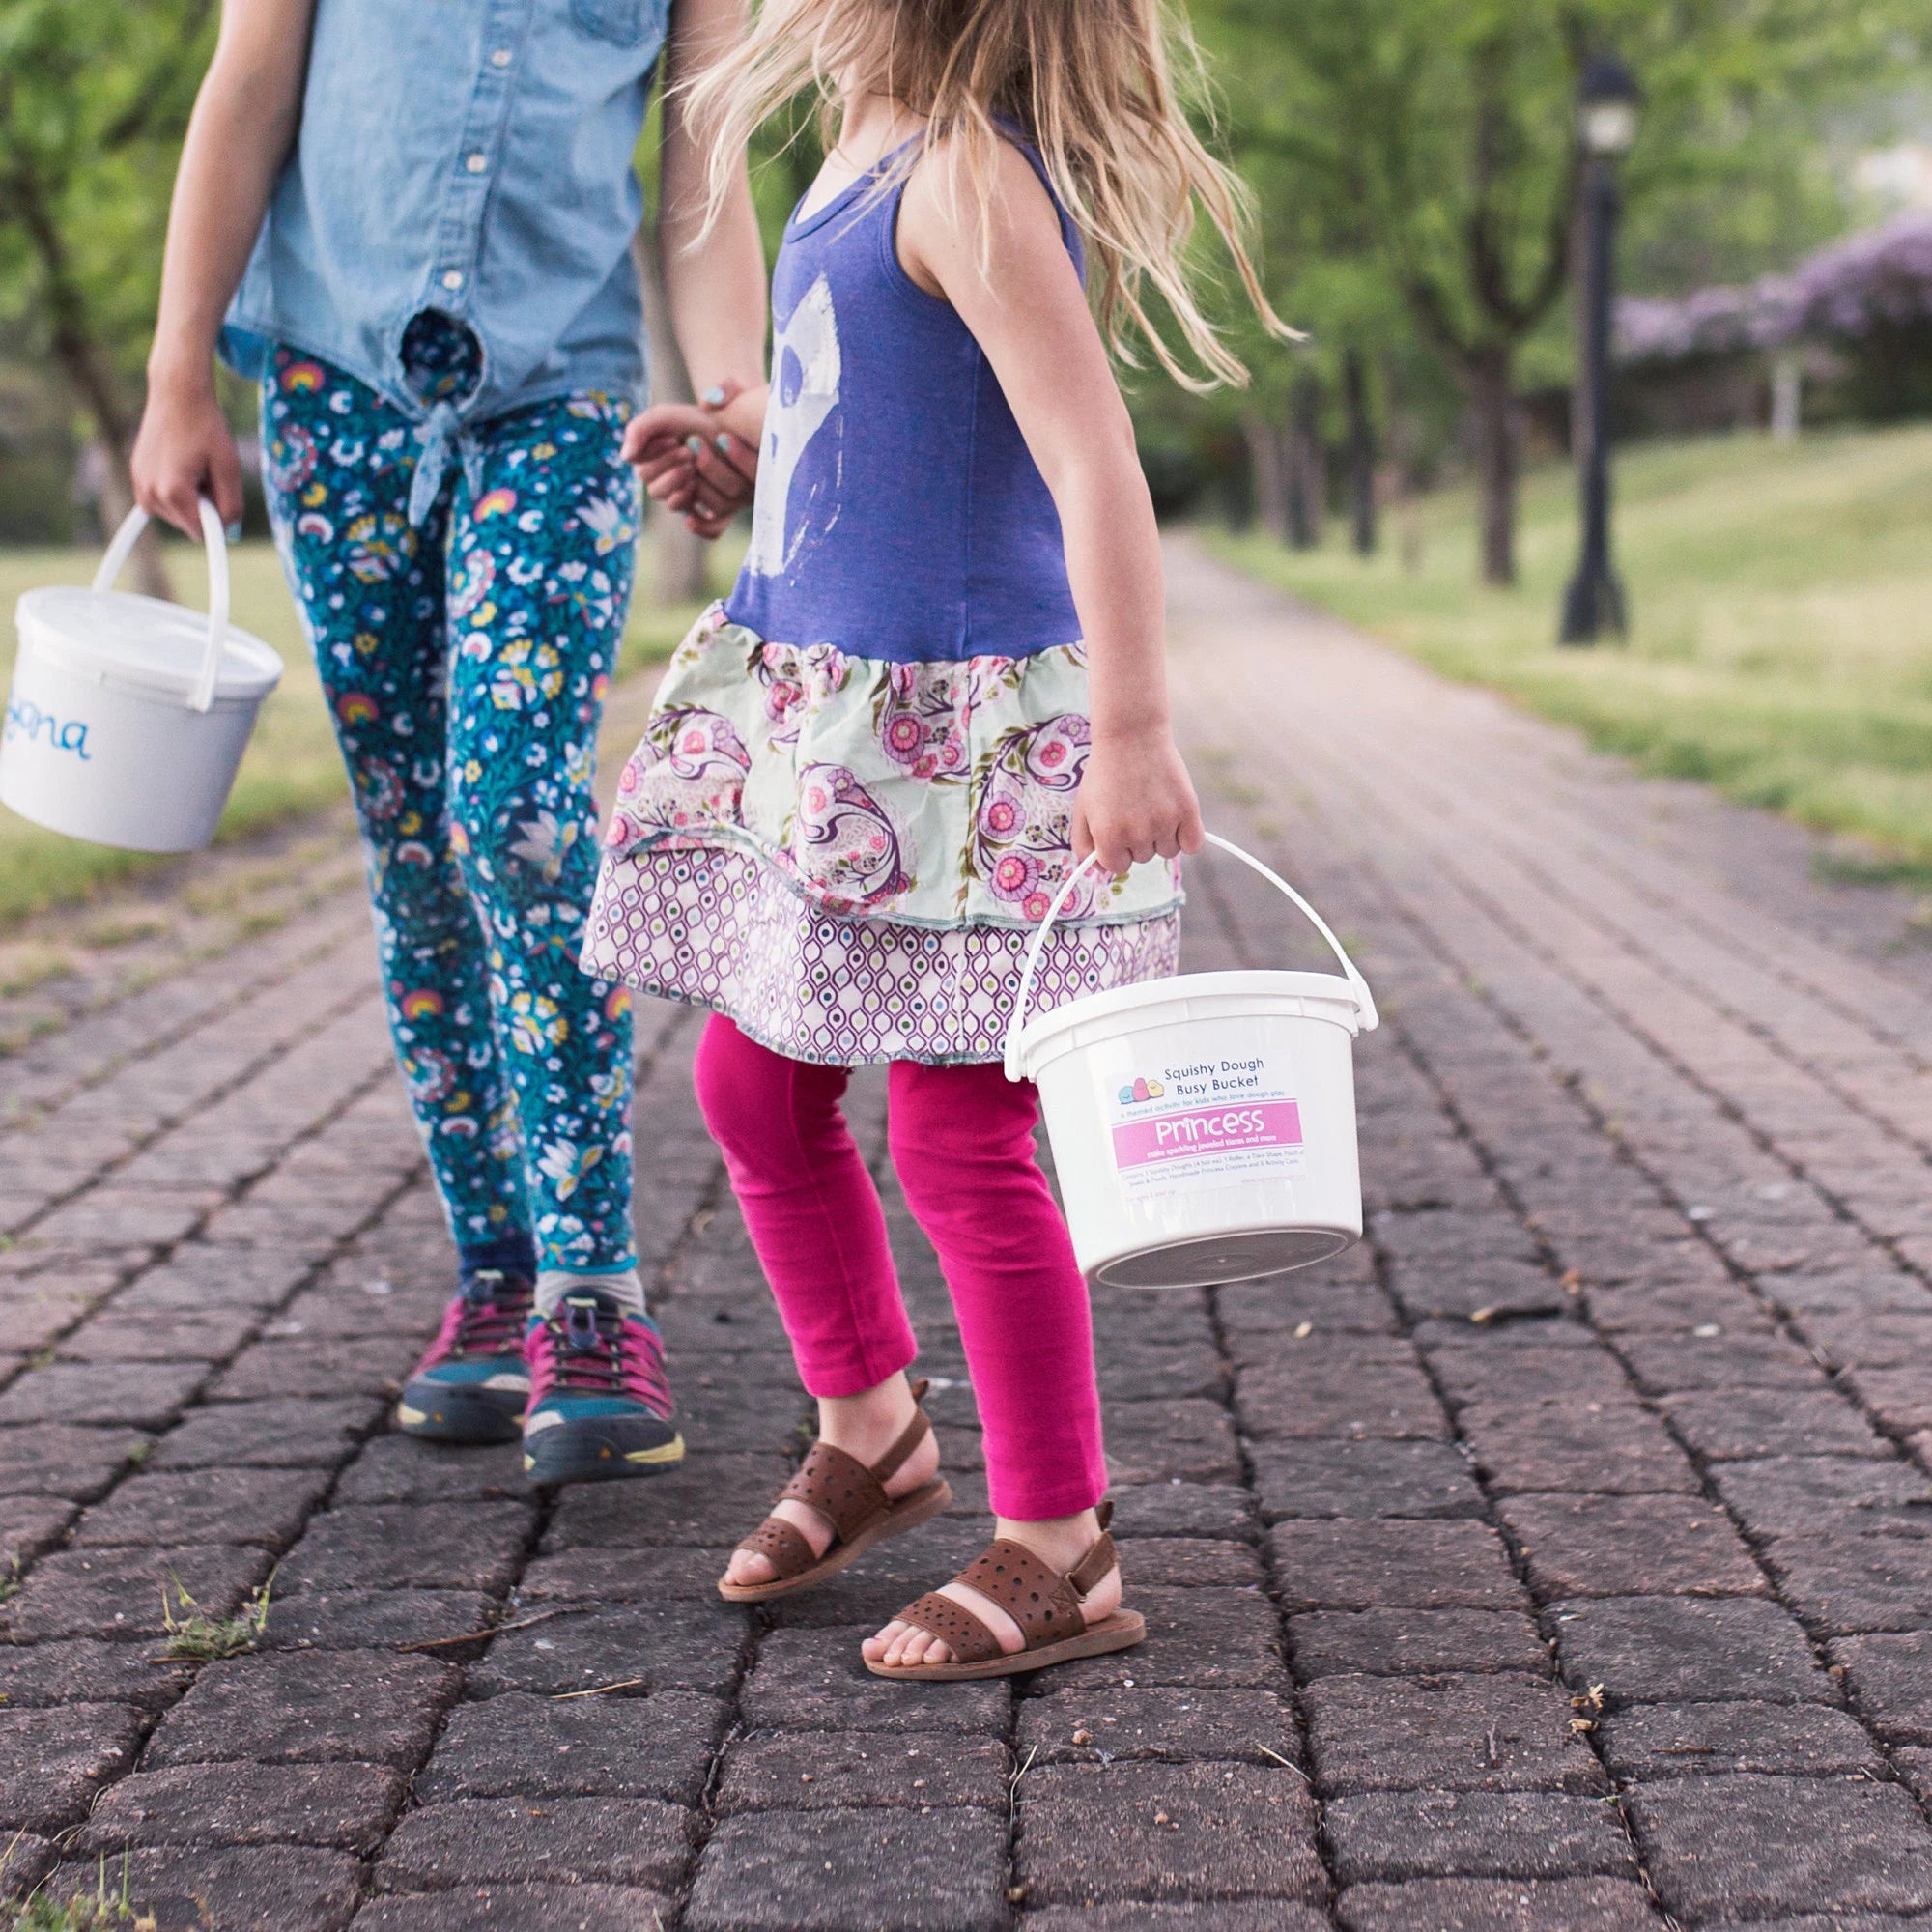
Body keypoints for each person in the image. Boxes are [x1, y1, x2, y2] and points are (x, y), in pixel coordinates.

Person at [584, 0, 1287, 1674]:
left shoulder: (969, 174)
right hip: (835, 732)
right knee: (754, 1083)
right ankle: (876, 1425)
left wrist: (1131, 732)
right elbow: (894, 420)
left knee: (961, 1139)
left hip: (963, 756)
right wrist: (757, 451)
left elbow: (1087, 457)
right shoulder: (852, 149)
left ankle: (1065, 1541)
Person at [130, 0, 765, 1486]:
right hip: (329, 385)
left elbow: (702, 168)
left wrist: (735, 389)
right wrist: (176, 377)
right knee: (415, 851)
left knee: (519, 819)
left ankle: (591, 1292)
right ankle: (492, 1270)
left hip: (566, 398)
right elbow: (250, 87)